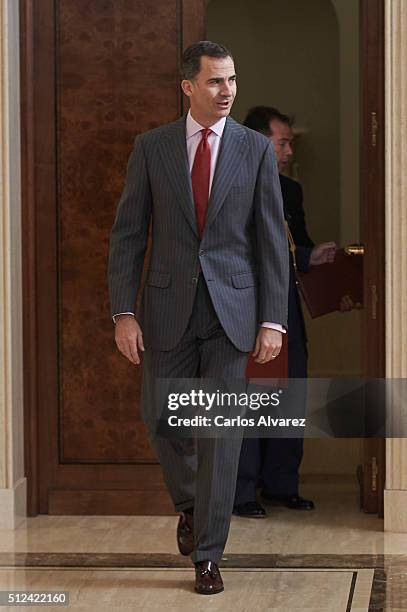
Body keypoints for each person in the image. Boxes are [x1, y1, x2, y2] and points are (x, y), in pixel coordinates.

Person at [108, 46, 289, 595]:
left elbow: (270, 239)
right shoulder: (153, 148)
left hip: (233, 313)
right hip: (166, 310)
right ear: (188, 87)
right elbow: (129, 234)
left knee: (221, 435)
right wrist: (124, 312)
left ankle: (208, 554)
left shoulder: (255, 149)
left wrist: (272, 320)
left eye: (232, 80)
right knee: (162, 421)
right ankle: (191, 505)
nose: (227, 91)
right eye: (215, 82)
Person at [234, 106, 339, 518]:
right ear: (260, 142)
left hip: (288, 310)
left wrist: (317, 255)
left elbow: (298, 247)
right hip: (246, 309)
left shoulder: (290, 190)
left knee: (288, 397)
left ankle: (282, 484)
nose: (290, 150)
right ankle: (242, 491)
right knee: (248, 400)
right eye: (283, 142)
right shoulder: (233, 185)